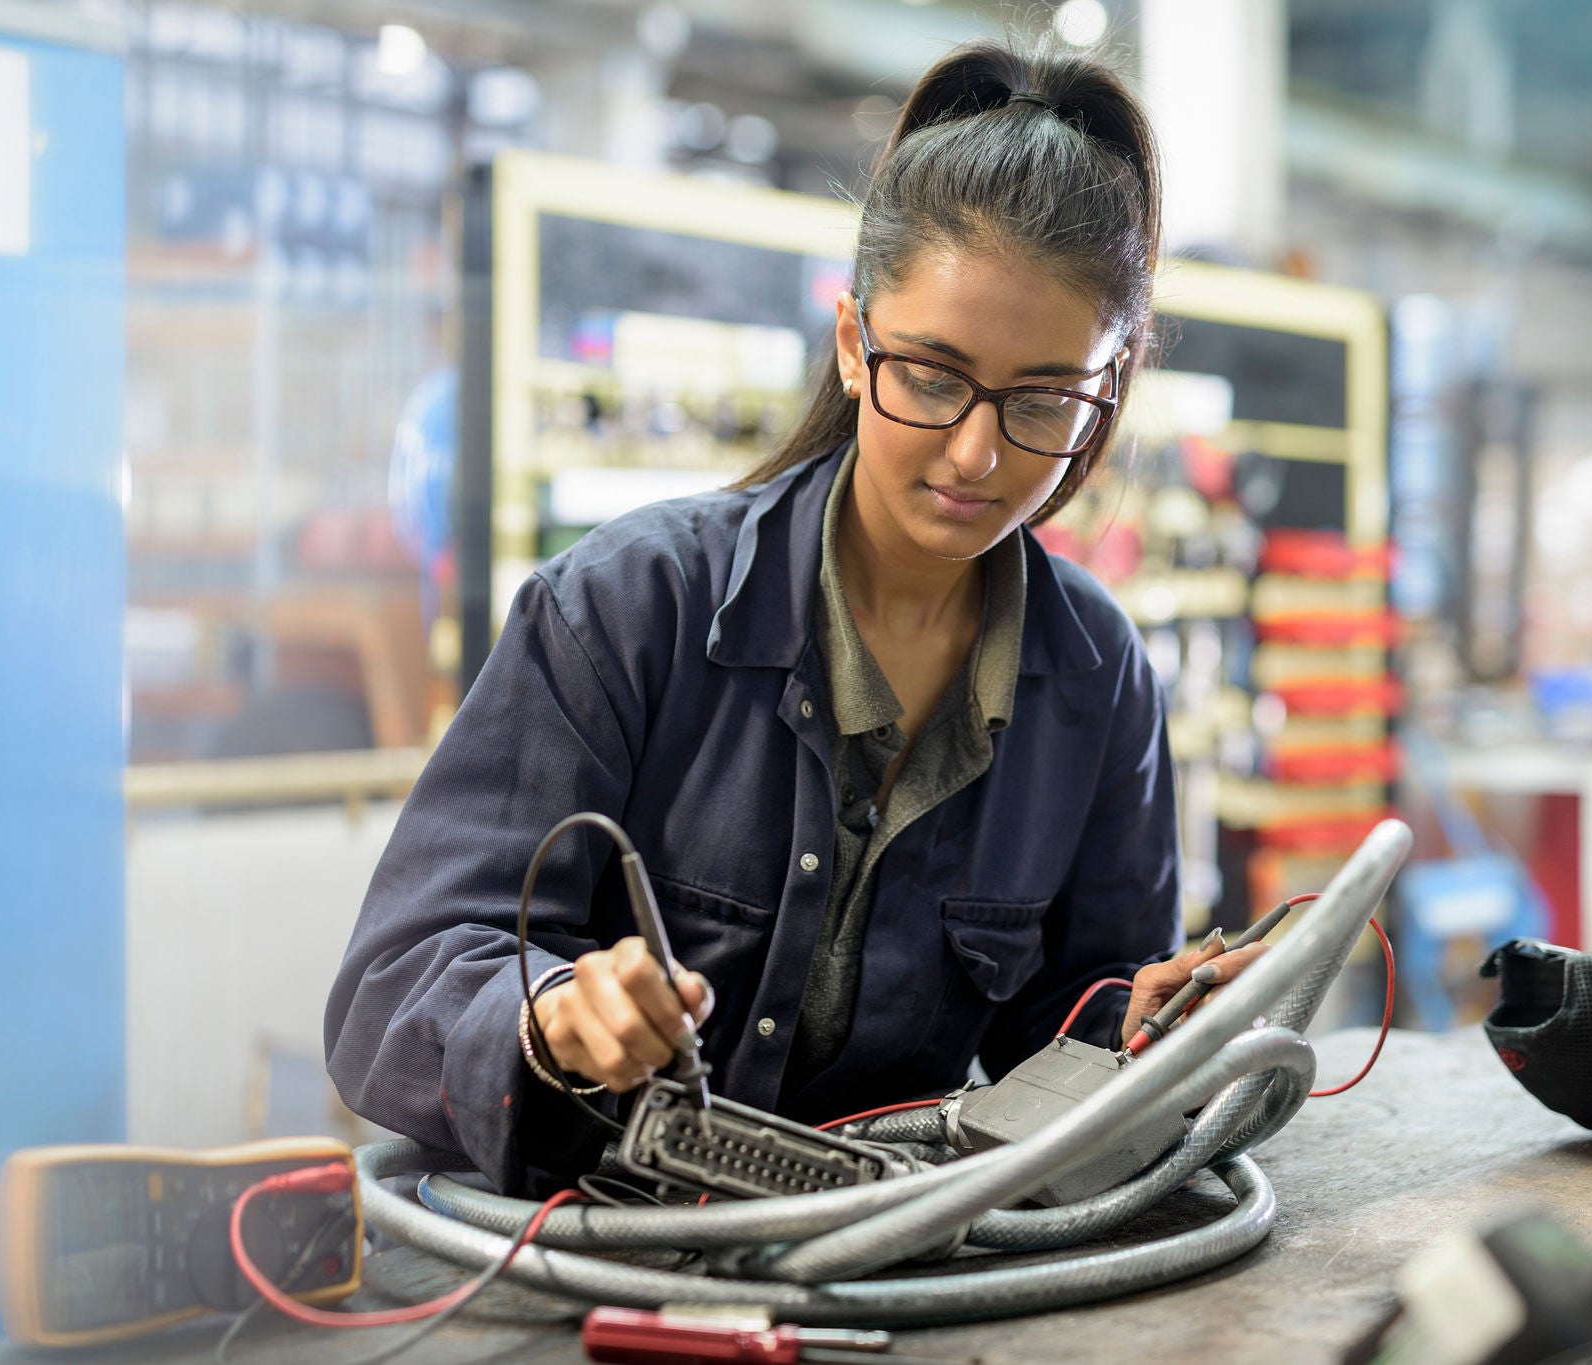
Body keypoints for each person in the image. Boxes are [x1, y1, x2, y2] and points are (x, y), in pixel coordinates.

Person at [324, 39, 1266, 1194]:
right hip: (585, 1251)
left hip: (876, 1263)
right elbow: (391, 985)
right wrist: (552, 1016)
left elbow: (1057, 1038)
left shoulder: (1096, 678)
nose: (976, 454)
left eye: (1041, 401)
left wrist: (1138, 1027)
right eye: (931, 375)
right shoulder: (628, 609)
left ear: (1104, 394)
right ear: (851, 340)